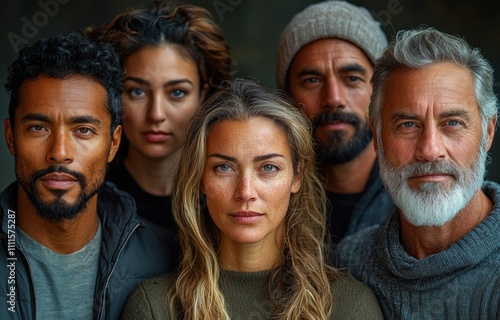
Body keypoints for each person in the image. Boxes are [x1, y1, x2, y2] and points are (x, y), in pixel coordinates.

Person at [120, 79, 383, 319]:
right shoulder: (155, 307)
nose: (245, 192)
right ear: (200, 177)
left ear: (296, 176)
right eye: (224, 167)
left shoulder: (350, 306)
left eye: (268, 167)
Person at [0, 31, 178, 320]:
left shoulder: (168, 259)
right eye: (38, 128)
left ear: (113, 143)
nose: (59, 152)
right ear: (11, 138)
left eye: (83, 130)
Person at [334, 27, 500, 319]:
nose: (430, 149)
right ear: (378, 136)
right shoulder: (348, 264)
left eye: (452, 122)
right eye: (408, 124)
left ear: (488, 132)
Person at [86, 1, 232, 228]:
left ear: (203, 95)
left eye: (177, 92)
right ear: (114, 94)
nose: (156, 114)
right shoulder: (86, 198)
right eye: (137, 91)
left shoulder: (231, 198)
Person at [276, 0, 395, 244]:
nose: (333, 99)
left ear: (382, 92)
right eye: (311, 80)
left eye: (352, 78)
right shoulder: (263, 201)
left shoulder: (418, 198)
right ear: (287, 97)